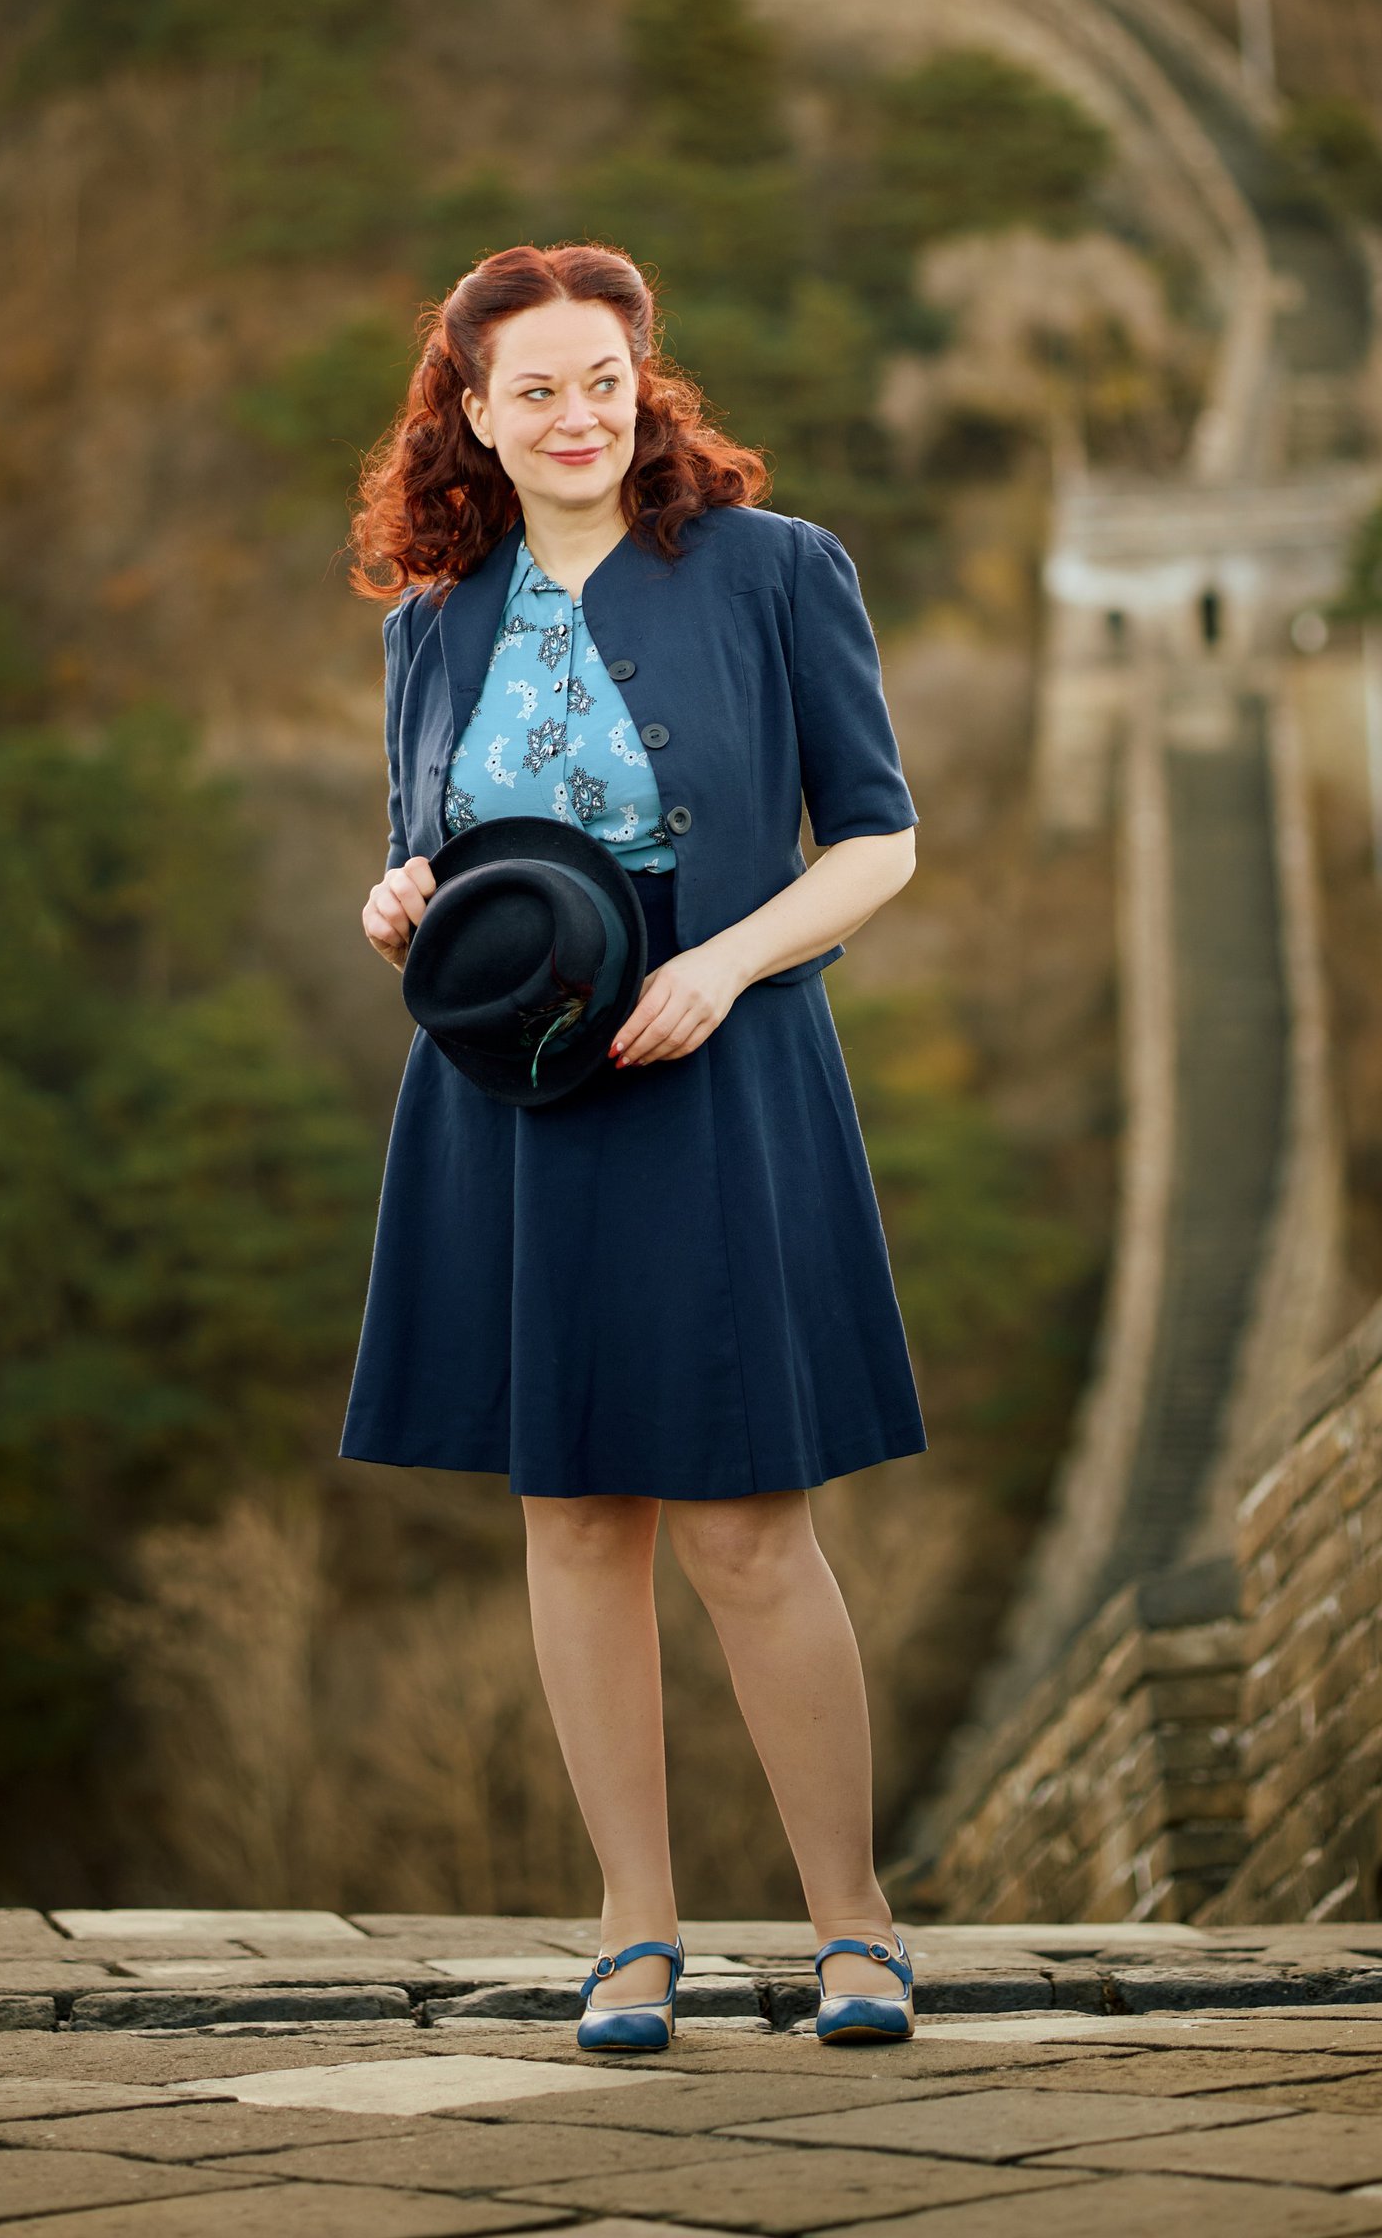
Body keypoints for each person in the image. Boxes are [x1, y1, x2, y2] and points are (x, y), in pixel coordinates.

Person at [343, 242, 926, 2050]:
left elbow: (880, 839)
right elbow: (432, 856)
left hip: (717, 1059)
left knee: (748, 1523)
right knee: (576, 1516)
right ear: (473, 412)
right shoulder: (431, 622)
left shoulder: (776, 568)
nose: (577, 416)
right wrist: (396, 900)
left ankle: (855, 1930)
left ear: (643, 381)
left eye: (604, 379)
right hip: (510, 1089)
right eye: (535, 390)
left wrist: (727, 966)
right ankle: (633, 1932)